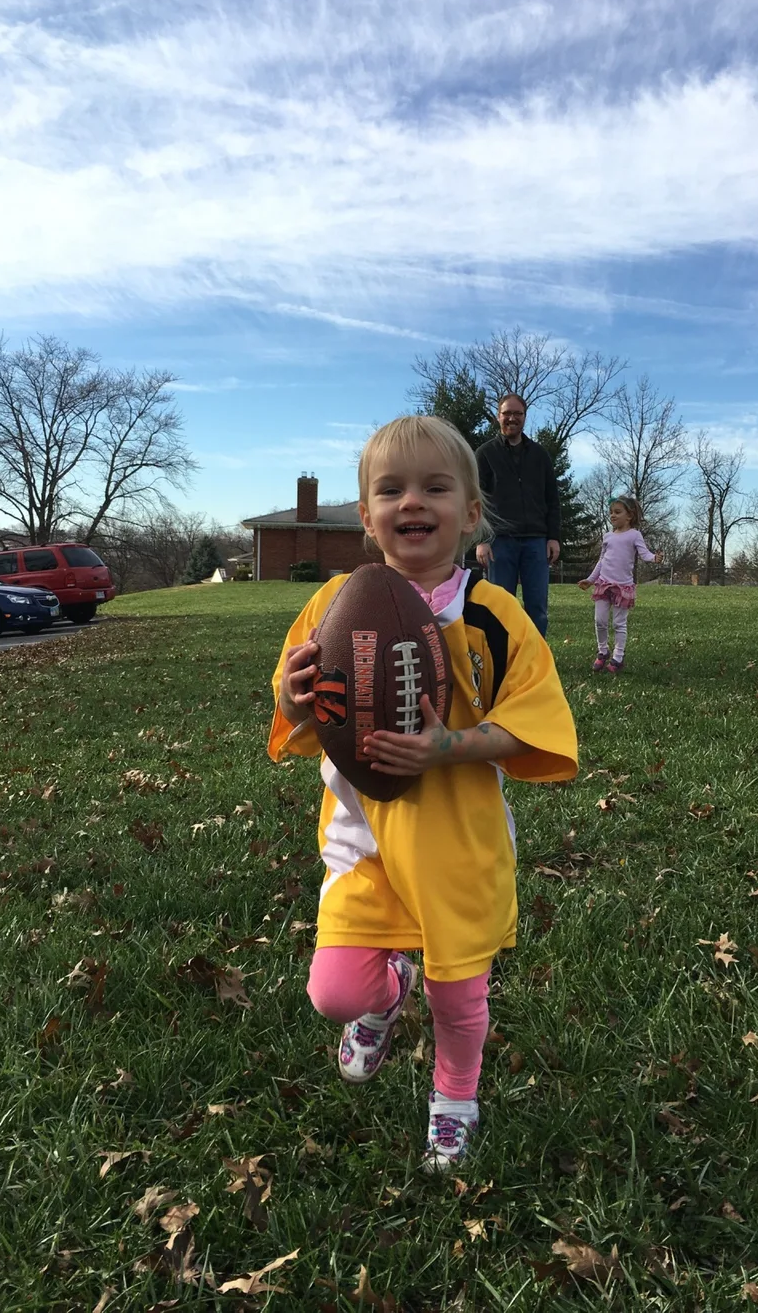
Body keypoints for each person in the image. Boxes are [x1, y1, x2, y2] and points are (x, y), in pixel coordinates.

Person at [270, 415, 577, 1173]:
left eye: (435, 488)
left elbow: (535, 720)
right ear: (366, 516)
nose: (412, 501)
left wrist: (450, 748)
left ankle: (455, 1098)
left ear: (470, 514)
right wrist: (292, 696)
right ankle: (386, 991)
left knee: (458, 996)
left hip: (456, 843)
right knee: (335, 992)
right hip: (364, 839)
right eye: (391, 490)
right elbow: (292, 701)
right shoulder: (333, 604)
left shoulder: (495, 615)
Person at [475, 394, 560, 637]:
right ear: (498, 416)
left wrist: (553, 537)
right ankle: (501, 655)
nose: (512, 418)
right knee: (500, 607)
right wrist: (481, 540)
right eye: (507, 413)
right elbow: (476, 501)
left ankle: (535, 655)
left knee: (538, 609)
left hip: (536, 542)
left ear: (524, 417)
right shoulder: (485, 454)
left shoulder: (540, 455)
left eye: (517, 414)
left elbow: (552, 499)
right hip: (499, 542)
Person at [578, 495, 663, 674]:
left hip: (622, 587)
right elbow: (602, 561)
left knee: (619, 623)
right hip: (603, 584)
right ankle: (602, 651)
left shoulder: (634, 535)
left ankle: (618, 656)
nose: (613, 515)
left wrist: (654, 558)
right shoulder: (607, 537)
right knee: (600, 620)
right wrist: (591, 580)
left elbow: (644, 553)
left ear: (629, 515)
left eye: (617, 512)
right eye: (611, 512)